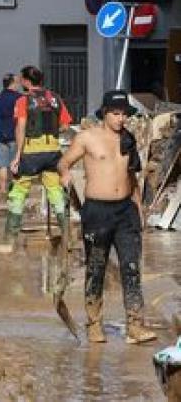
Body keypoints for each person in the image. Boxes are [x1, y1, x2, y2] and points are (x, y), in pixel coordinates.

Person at [58, 90, 156, 345]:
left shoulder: (128, 140)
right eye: (116, 114)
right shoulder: (87, 138)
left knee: (131, 267)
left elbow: (132, 177)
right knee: (96, 267)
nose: (120, 119)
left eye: (124, 114)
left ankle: (135, 325)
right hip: (97, 211)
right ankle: (94, 325)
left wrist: (138, 208)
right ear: (105, 113)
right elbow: (64, 163)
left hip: (125, 211)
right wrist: (65, 174)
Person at [5, 65, 72, 241]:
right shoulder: (55, 99)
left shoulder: (23, 101)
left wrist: (18, 155)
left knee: (18, 191)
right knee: (55, 191)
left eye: (21, 79)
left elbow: (21, 127)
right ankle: (66, 234)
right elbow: (65, 125)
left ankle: (10, 236)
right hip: (52, 152)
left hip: (31, 152)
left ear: (27, 81)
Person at [0, 73, 20, 196]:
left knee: (2, 165)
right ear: (12, 83)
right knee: (16, 165)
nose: (18, 85)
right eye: (17, 82)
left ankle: (2, 191)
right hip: (16, 136)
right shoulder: (20, 99)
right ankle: (16, 192)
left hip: (0, 137)